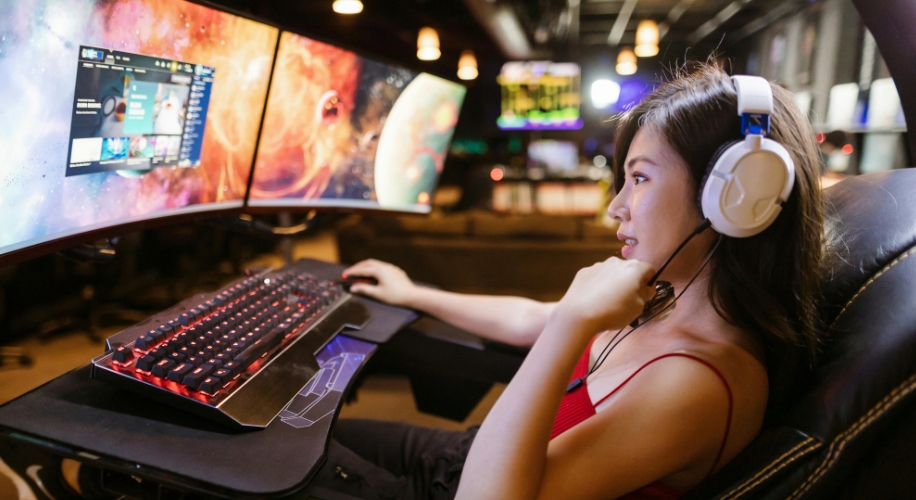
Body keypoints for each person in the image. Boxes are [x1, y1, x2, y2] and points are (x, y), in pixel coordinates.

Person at [4, 64, 824, 500]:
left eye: (639, 178)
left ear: (734, 198)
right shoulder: (673, 299)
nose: (614, 205)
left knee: (221, 469)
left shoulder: (696, 384)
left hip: (476, 483)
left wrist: (576, 323)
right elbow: (531, 318)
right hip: (468, 455)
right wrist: (416, 291)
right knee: (268, 437)